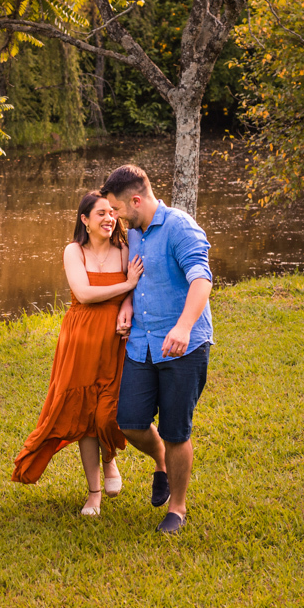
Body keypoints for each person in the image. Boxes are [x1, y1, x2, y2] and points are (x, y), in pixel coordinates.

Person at [12, 191, 144, 516]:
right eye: (100, 213)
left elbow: (138, 290)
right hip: (81, 340)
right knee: (83, 417)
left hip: (115, 340)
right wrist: (127, 285)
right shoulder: (74, 251)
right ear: (84, 219)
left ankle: (110, 459)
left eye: (111, 213)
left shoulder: (125, 249)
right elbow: (84, 294)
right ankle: (94, 493)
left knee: (107, 411)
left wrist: (128, 298)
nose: (108, 218)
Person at [100, 165, 214, 534]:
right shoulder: (135, 231)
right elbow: (140, 277)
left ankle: (177, 509)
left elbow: (201, 278)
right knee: (130, 422)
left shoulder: (180, 227)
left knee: (176, 431)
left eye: (116, 209)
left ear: (136, 200)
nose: (114, 217)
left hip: (183, 346)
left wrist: (183, 326)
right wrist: (128, 304)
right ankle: (161, 461)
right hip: (141, 344)